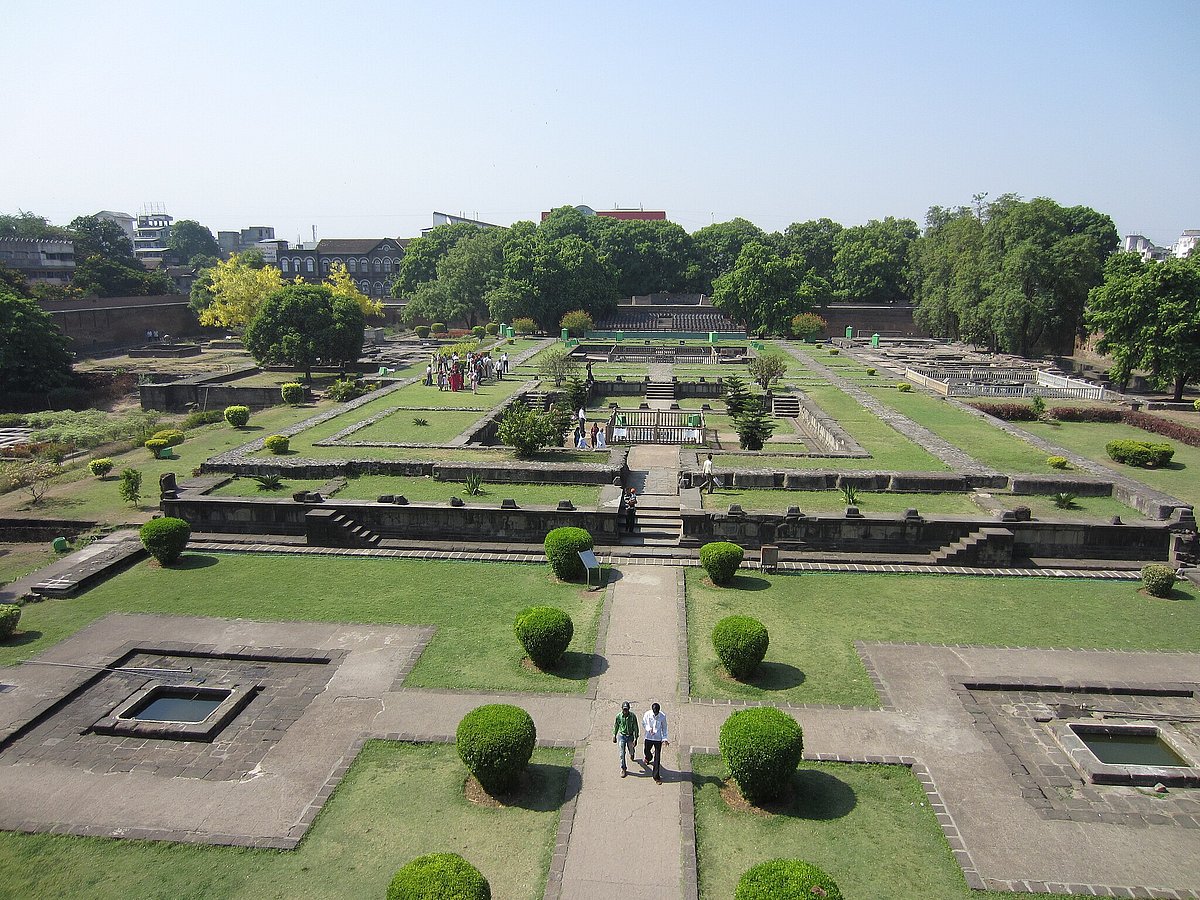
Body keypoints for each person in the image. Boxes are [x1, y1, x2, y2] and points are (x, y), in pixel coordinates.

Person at [642, 702, 669, 783]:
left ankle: (656, 776)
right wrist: (648, 728)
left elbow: (664, 728)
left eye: (657, 712)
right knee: (646, 750)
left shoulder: (662, 716)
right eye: (654, 712)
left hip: (657, 739)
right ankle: (648, 757)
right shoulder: (647, 714)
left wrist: (664, 738)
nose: (655, 714)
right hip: (649, 737)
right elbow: (644, 723)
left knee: (657, 758)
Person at [612, 701, 639, 777]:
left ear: (629, 709)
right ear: (622, 709)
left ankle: (632, 753)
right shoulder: (619, 716)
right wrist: (614, 735)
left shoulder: (633, 716)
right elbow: (616, 725)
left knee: (631, 749)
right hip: (622, 736)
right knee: (622, 753)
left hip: (630, 736)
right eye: (624, 710)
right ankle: (623, 768)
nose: (625, 711)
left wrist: (636, 738)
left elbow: (636, 727)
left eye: (626, 710)